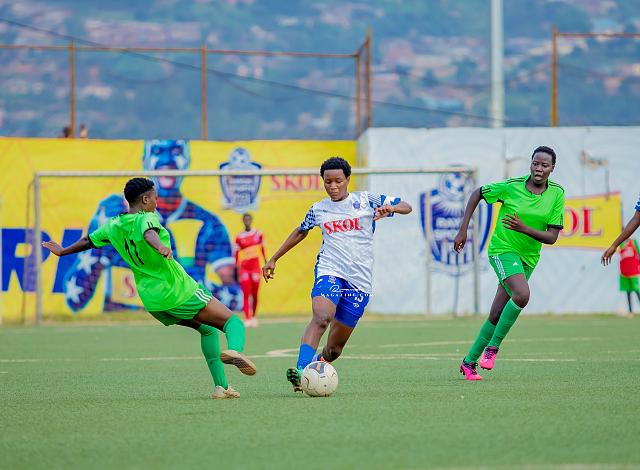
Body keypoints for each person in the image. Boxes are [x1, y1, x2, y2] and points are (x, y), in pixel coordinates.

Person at [43, 178, 256, 399]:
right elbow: (148, 233)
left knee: (208, 330)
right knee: (233, 323)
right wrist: (160, 246)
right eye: (155, 197)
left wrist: (63, 251)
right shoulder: (147, 217)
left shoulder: (114, 225)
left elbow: (88, 241)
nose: (157, 201)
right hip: (178, 291)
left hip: (154, 302)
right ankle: (235, 350)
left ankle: (221, 387)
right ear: (145, 199)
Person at [262, 157, 412, 392]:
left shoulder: (367, 200)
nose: (333, 186)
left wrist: (392, 208)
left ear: (348, 179)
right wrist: (274, 258)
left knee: (334, 350)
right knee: (322, 316)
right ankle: (301, 372)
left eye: (338, 181)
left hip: (359, 281)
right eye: (328, 182)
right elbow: (301, 231)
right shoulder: (318, 209)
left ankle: (317, 365)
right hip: (330, 270)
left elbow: (406, 206)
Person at [63, 140, 242, 314]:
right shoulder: (113, 215)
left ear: (187, 160)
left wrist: (199, 285)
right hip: (122, 319)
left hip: (175, 316)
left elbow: (237, 297)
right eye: (157, 152)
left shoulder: (208, 224)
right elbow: (75, 299)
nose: (167, 160)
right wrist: (99, 253)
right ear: (145, 161)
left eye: (176, 152)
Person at [453, 146, 565, 381]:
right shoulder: (512, 186)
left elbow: (552, 237)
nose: (539, 168)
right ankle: (493, 348)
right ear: (531, 164)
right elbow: (477, 193)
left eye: (544, 165)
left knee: (496, 314)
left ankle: (469, 363)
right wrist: (463, 229)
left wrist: (524, 228)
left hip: (529, 257)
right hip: (502, 250)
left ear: (552, 168)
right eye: (535, 163)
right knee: (522, 295)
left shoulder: (557, 193)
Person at [602, 195, 640, 314]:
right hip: (625, 271)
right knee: (628, 291)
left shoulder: (633, 242)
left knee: (636, 290)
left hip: (634, 271)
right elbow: (636, 219)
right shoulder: (622, 245)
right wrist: (614, 245)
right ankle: (630, 311)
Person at [235, 213, 267, 327]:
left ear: (251, 220)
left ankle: (254, 316)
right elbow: (236, 254)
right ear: (243, 221)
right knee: (246, 293)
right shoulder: (239, 237)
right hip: (244, 269)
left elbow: (263, 249)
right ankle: (247, 318)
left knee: (255, 293)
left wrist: (266, 262)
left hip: (255, 268)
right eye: (245, 219)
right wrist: (237, 269)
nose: (247, 221)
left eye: (248, 219)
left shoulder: (258, 234)